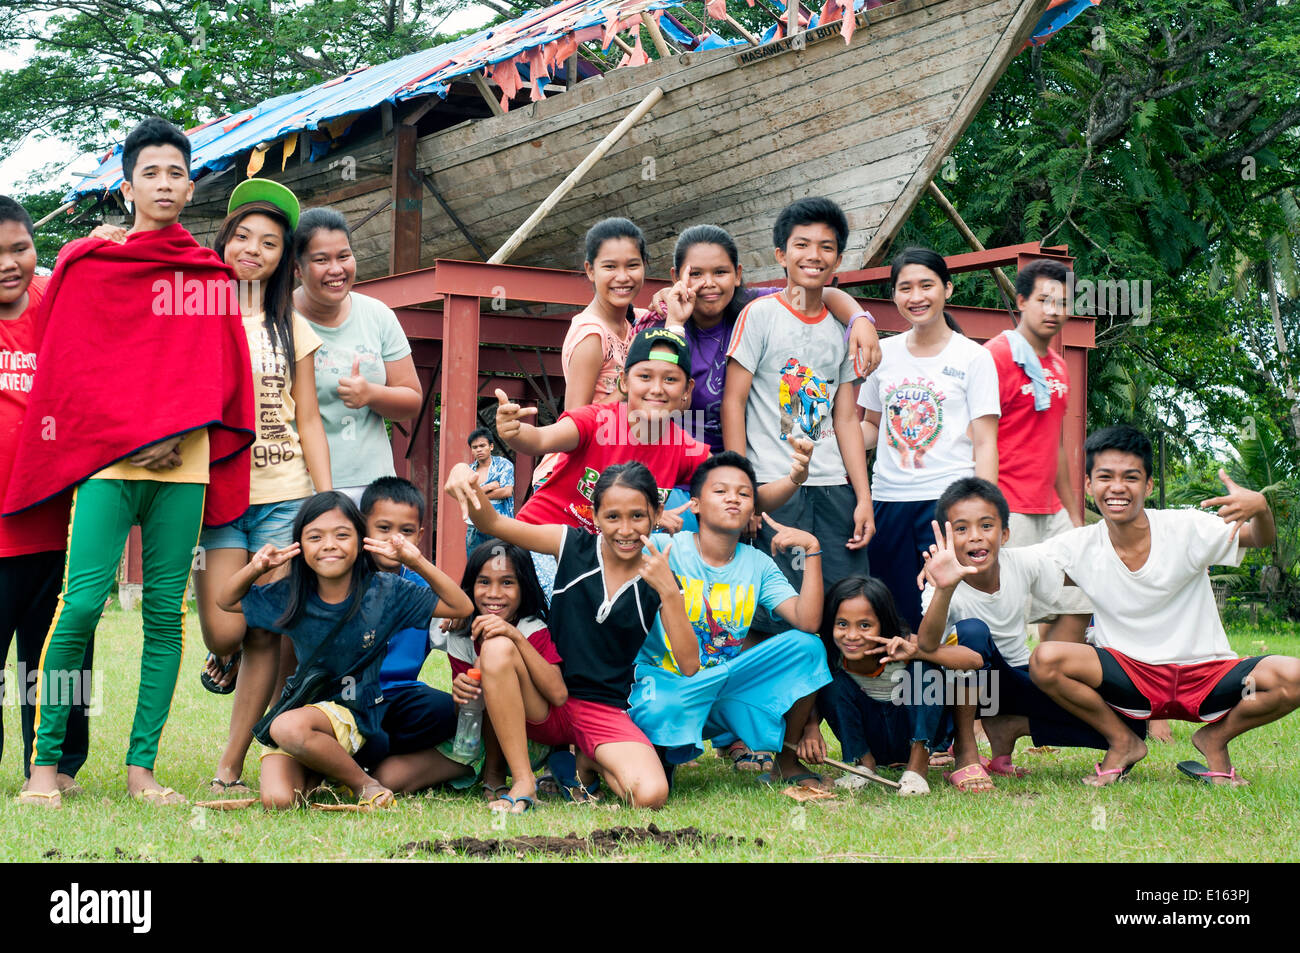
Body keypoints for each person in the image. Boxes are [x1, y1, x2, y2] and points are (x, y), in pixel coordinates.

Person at [6, 118, 255, 808]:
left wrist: (181, 428)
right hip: (108, 462)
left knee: (163, 619)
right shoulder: (91, 266)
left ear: (191, 182)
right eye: (152, 172)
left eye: (177, 171)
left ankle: (142, 767)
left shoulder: (208, 274)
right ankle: (42, 768)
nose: (166, 183)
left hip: (186, 461)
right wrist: (129, 435)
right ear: (127, 187)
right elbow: (73, 371)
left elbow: (221, 372)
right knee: (80, 602)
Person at [94, 178, 334, 794]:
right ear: (223, 241)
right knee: (225, 629)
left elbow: (308, 416)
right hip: (217, 491)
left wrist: (327, 505)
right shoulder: (191, 307)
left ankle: (229, 763)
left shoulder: (291, 326)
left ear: (285, 259)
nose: (253, 250)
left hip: (285, 493)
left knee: (267, 629)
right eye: (243, 237)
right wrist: (111, 238)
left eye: (271, 244)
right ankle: (220, 659)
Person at [446, 328, 812, 599]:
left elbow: (749, 497)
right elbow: (540, 439)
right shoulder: (595, 420)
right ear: (624, 382)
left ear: (686, 395)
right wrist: (513, 432)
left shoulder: (686, 449)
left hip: (608, 559)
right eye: (645, 377)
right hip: (539, 546)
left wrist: (794, 478)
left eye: (671, 380)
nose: (657, 388)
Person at [1029, 426, 1300, 786]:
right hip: (1130, 679)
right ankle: (1123, 741)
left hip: (1209, 676)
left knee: (1293, 677)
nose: (1118, 487)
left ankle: (1215, 739)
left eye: (1131, 477)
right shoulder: (1078, 545)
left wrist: (1261, 509)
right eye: (1105, 477)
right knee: (1046, 660)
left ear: (1149, 486)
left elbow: (1258, 538)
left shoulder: (1185, 528)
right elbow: (1017, 568)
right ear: (1091, 485)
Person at [449, 460, 697, 808]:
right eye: (612, 517)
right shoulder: (571, 544)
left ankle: (586, 761)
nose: (625, 530)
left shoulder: (660, 578)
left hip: (603, 710)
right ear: (594, 516)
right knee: (497, 647)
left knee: (650, 795)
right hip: (544, 698)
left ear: (656, 514)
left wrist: (670, 592)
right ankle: (523, 781)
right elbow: (493, 523)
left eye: (637, 516)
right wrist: (463, 472)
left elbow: (689, 665)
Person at [217, 491, 471, 810]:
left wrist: (415, 560)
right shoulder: (291, 593)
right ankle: (323, 770)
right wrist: (256, 568)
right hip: (304, 710)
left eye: (342, 535)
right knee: (278, 801)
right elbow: (225, 601)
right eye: (315, 536)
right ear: (300, 545)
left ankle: (364, 785)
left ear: (360, 540)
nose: (329, 544)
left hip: (353, 711)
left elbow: (460, 605)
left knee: (285, 726)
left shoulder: (385, 590)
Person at [916, 478, 1145, 791]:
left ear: (1005, 533)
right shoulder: (940, 581)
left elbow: (1081, 569)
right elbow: (928, 645)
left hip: (1014, 680)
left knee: (1128, 722)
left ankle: (1008, 727)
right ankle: (966, 753)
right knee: (972, 631)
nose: (975, 538)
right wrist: (944, 588)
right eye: (961, 529)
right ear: (945, 538)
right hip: (961, 691)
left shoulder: (1021, 562)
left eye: (986, 526)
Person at [627, 451, 833, 790]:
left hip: (726, 681)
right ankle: (661, 754)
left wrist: (812, 549)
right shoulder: (664, 546)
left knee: (808, 647)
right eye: (720, 491)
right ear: (695, 504)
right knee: (661, 709)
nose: (733, 499)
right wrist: (646, 524)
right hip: (669, 684)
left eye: (744, 493)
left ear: (753, 510)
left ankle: (786, 761)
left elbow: (807, 621)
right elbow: (608, 551)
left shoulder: (758, 564)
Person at [722, 197, 874, 623]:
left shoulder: (841, 327)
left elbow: (845, 418)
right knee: (783, 606)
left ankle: (839, 689)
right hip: (774, 485)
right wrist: (744, 488)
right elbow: (733, 402)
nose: (813, 255)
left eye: (826, 247)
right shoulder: (760, 315)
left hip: (832, 486)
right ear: (781, 255)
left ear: (838, 259)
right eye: (802, 244)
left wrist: (862, 498)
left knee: (845, 600)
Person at [858, 246, 1000, 631]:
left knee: (946, 611)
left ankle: (950, 689)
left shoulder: (974, 357)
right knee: (892, 610)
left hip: (947, 504)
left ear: (948, 289)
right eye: (905, 288)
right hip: (887, 503)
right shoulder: (881, 354)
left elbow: (986, 442)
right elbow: (871, 429)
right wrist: (822, 433)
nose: (916, 297)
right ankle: (899, 690)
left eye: (927, 285)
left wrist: (982, 516)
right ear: (894, 296)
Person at [0, 196, 89, 799]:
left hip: (59, 523)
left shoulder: (56, 300)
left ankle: (58, 762)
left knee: (55, 659)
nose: (9, 264)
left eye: (19, 248)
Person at [984, 258, 1091, 641]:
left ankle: (1051, 681)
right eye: (1044, 300)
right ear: (1022, 300)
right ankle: (1006, 695)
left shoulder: (1059, 367)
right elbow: (978, 439)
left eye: (1062, 302)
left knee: (1078, 599)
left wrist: (1074, 516)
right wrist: (988, 512)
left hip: (1053, 513)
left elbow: (1057, 446)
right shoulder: (995, 357)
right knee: (1007, 612)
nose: (1053, 310)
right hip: (1010, 507)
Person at [352, 477, 479, 795]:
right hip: (348, 697)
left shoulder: (424, 589)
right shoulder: (344, 581)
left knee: (441, 710)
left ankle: (375, 757)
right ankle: (360, 756)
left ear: (420, 536)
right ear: (362, 527)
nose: (395, 540)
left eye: (406, 531)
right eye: (383, 528)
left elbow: (459, 620)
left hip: (398, 698)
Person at [291, 208, 422, 504]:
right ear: (297, 268)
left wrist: (371, 394)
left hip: (372, 489)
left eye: (344, 256)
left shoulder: (378, 315)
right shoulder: (279, 319)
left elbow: (412, 400)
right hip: (298, 488)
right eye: (321, 260)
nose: (336, 269)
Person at [816, 576, 981, 796]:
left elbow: (974, 660)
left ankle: (917, 769)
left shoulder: (901, 643)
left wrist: (919, 652)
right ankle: (863, 766)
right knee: (831, 682)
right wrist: (810, 727)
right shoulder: (831, 654)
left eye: (865, 625)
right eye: (842, 624)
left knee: (925, 668)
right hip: (871, 740)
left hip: (914, 734)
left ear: (883, 625)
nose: (852, 635)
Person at [444, 540, 566, 814]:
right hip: (481, 742)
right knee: (395, 777)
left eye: (507, 583)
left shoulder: (531, 627)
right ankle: (493, 777)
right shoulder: (461, 635)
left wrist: (514, 636)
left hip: (536, 733)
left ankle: (524, 781)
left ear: (524, 587)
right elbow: (465, 712)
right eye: (484, 582)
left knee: (495, 649)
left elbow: (558, 695)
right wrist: (460, 693)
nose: (494, 594)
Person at [531, 218, 648, 490]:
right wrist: (624, 388)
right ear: (590, 270)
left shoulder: (637, 323)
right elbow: (575, 420)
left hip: (610, 471)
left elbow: (662, 311)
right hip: (572, 478)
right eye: (610, 266)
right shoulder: (592, 335)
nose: (623, 277)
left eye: (633, 265)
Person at [464, 427, 514, 555]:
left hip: (499, 525)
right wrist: (490, 486)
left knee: (501, 566)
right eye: (475, 447)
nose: (479, 450)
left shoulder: (504, 465)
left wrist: (477, 492)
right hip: (474, 527)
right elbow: (467, 496)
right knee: (475, 568)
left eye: (482, 445)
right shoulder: (469, 471)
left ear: (491, 447)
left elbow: (507, 492)